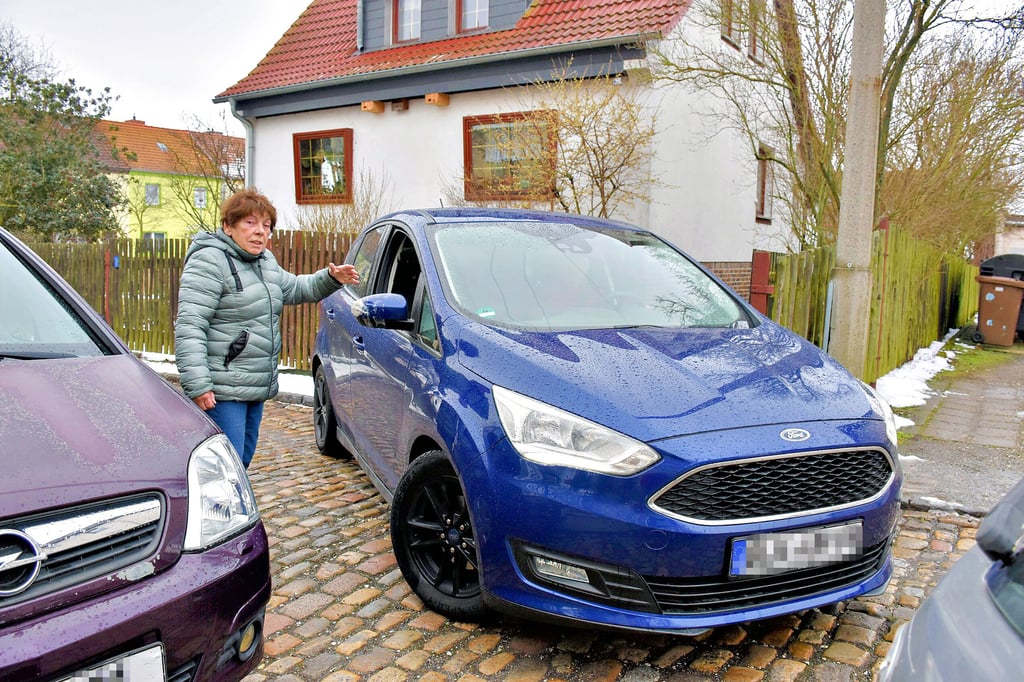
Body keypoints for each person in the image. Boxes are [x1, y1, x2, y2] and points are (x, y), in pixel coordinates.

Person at [174, 188, 359, 468]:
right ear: (228, 226)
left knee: (242, 460)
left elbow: (297, 288)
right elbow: (191, 325)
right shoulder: (210, 261)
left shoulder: (264, 263)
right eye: (249, 223)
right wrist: (199, 384)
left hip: (254, 383)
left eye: (266, 225)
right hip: (222, 388)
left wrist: (331, 278)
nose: (259, 231)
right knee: (226, 467)